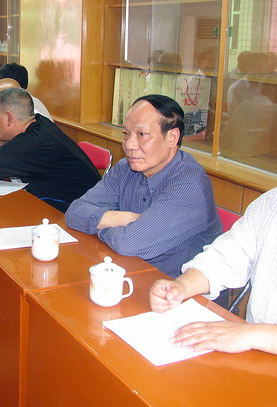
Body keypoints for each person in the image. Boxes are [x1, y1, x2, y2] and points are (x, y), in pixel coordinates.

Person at [149, 99, 277, 382]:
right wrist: (182, 286)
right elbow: (226, 257)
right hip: (256, 357)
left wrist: (249, 334)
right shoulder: (274, 203)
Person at [66, 95, 221, 278]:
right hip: (128, 271)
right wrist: (127, 219)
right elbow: (74, 212)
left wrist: (102, 226)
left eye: (142, 135)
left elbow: (127, 244)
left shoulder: (189, 186)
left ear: (172, 138)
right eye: (126, 134)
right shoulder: (126, 168)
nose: (129, 145)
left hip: (174, 287)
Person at [0, 87, 100, 212]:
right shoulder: (40, 122)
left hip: (79, 212)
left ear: (8, 118)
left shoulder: (29, 144)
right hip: (76, 202)